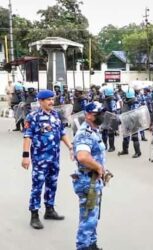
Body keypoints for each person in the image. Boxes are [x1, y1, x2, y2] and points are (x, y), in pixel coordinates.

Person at [21, 90, 73, 230]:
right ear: (40, 101)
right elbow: (27, 136)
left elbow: (62, 133)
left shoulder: (55, 115)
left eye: (52, 99)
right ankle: (34, 215)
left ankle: (49, 210)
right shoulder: (33, 117)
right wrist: (25, 156)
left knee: (52, 183)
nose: (51, 102)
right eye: (48, 100)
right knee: (37, 186)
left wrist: (70, 147)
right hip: (40, 159)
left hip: (54, 158)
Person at [72, 101, 106, 250]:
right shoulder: (85, 134)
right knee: (88, 218)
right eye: (98, 114)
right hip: (87, 181)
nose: (102, 116)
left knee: (93, 216)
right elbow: (83, 157)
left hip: (93, 180)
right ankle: (83, 247)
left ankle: (92, 244)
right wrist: (98, 167)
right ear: (89, 116)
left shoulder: (94, 131)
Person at [118, 88, 142, 158]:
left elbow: (137, 113)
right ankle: (125, 150)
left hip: (134, 122)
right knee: (125, 136)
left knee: (135, 137)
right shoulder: (125, 101)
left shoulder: (136, 103)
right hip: (127, 121)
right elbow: (123, 111)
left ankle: (138, 152)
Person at [101, 86, 118, 152]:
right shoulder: (106, 99)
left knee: (111, 133)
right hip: (105, 117)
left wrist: (113, 121)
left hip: (111, 117)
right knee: (104, 132)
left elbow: (113, 111)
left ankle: (112, 147)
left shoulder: (112, 100)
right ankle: (105, 145)